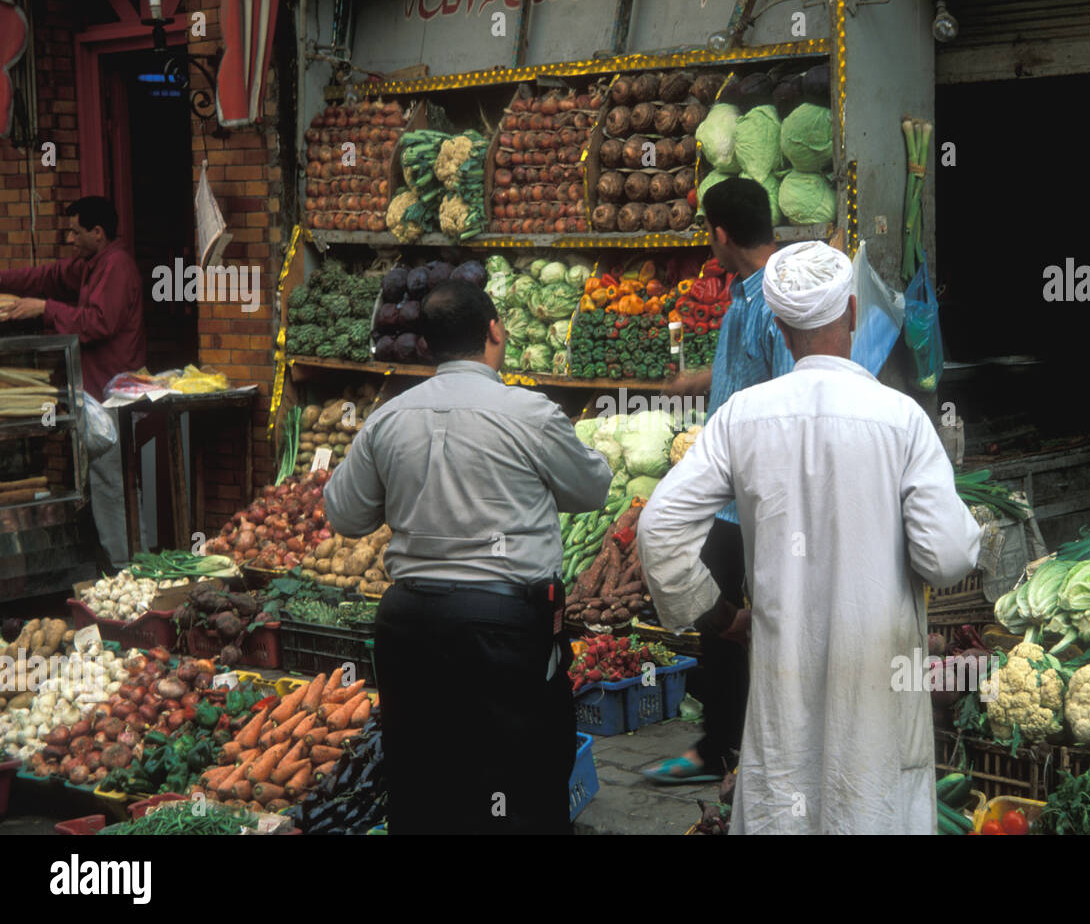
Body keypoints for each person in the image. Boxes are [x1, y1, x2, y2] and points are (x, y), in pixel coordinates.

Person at [638, 241, 981, 834]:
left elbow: (659, 528)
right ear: (851, 311)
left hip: (782, 690)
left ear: (778, 324)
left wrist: (718, 616)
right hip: (878, 684)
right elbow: (948, 556)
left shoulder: (740, 417)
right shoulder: (902, 421)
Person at [324, 279, 612, 835]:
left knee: (421, 769)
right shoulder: (529, 412)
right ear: (494, 333)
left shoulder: (388, 418)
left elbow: (344, 516)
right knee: (516, 775)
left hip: (409, 622)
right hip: (503, 623)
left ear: (428, 345)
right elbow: (592, 491)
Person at [0, 196, 145, 566]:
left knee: (114, 484)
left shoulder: (117, 266)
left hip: (114, 396)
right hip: (93, 393)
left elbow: (97, 323)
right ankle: (119, 560)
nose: (69, 239)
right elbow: (46, 277)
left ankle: (128, 566)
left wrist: (45, 309)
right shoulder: (90, 264)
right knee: (101, 481)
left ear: (98, 233)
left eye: (74, 231)